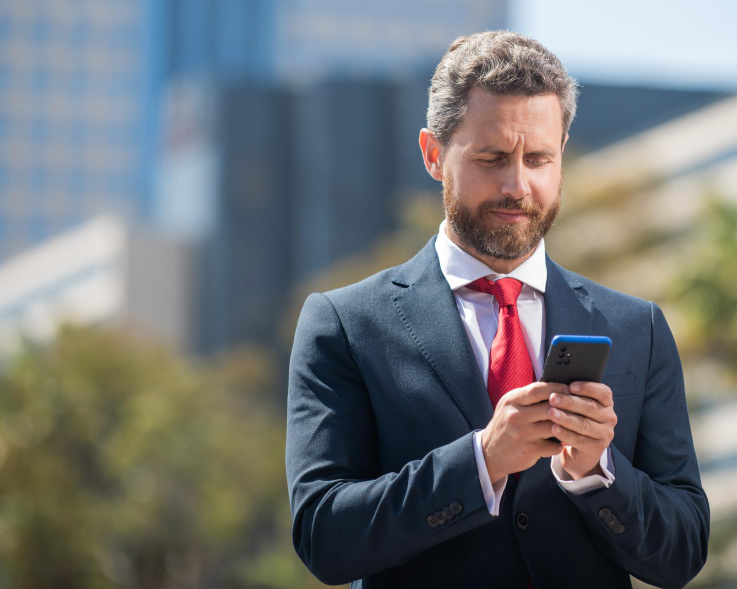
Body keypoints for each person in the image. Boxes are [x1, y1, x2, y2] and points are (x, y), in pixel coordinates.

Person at [285, 30, 709, 588]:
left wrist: (597, 471)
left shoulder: (637, 328)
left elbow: (683, 552)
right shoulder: (344, 325)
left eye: (539, 159)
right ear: (434, 155)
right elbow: (324, 536)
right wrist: (481, 462)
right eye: (492, 158)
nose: (518, 185)